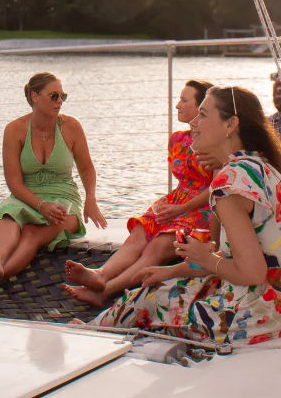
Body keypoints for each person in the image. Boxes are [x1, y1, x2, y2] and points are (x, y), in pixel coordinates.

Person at [86, 87, 281, 345]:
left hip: (266, 311)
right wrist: (172, 271)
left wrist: (203, 259)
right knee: (165, 287)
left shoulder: (232, 181)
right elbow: (240, 256)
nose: (193, 123)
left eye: (202, 114)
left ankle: (85, 336)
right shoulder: (263, 165)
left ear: (231, 124)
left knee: (146, 300)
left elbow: (253, 272)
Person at [62, 79, 213, 309]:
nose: (177, 106)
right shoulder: (177, 140)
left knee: (155, 248)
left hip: (202, 207)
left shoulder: (216, 142)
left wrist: (181, 209)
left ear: (202, 106)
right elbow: (184, 179)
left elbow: (216, 186)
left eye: (184, 100)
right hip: (178, 199)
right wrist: (173, 207)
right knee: (138, 235)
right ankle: (101, 275)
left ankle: (105, 292)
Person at [0, 72, 106, 294]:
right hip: (25, 195)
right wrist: (40, 205)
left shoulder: (71, 127)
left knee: (32, 232)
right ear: (35, 97)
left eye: (63, 96)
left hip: (64, 198)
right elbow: (14, 182)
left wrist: (91, 198)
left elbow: (87, 168)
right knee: (9, 215)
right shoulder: (14, 130)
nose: (60, 101)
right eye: (54, 96)